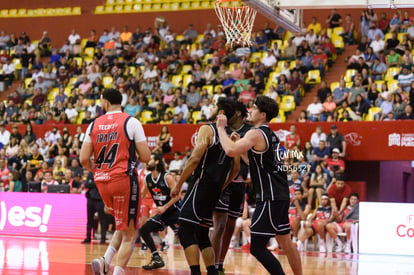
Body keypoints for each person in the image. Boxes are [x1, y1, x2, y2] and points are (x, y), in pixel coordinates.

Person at [215, 95, 302, 275]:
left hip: (269, 198)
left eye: (254, 108)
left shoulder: (255, 133)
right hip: (280, 196)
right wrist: (238, 142)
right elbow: (253, 161)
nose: (251, 110)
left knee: (257, 248)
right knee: (285, 242)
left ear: (263, 115)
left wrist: (220, 129)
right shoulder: (272, 135)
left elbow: (230, 151)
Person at [80, 88, 151, 275]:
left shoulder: (93, 124)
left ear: (105, 103)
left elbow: (83, 159)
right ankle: (117, 273)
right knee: (130, 233)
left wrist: (98, 171)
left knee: (123, 222)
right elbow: (145, 156)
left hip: (102, 181)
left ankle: (106, 259)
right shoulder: (131, 121)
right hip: (123, 179)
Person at [170, 97, 240, 275]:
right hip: (215, 191)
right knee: (202, 234)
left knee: (185, 230)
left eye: (215, 106)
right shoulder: (231, 136)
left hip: (200, 185)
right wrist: (223, 185)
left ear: (221, 113)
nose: (212, 108)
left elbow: (194, 159)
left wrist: (178, 185)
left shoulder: (207, 129)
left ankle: (195, 272)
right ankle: (212, 271)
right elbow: (236, 168)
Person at [210, 101, 251, 274]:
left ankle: (219, 264)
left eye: (232, 112)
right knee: (219, 225)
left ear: (239, 114)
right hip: (223, 183)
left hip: (239, 184)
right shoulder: (221, 128)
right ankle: (211, 266)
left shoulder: (249, 132)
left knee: (230, 226)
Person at [139, 153, 180, 270]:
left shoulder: (167, 177)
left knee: (187, 238)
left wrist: (164, 207)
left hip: (174, 212)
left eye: (150, 159)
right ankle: (156, 258)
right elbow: (142, 195)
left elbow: (177, 197)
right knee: (144, 230)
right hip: (162, 214)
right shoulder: (147, 178)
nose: (147, 161)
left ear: (157, 162)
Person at [82, 171, 109, 245]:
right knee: (89, 219)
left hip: (100, 199)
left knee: (102, 219)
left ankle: (103, 238)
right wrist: (94, 183)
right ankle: (88, 237)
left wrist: (92, 183)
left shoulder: (103, 171)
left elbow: (102, 184)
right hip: (90, 198)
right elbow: (87, 184)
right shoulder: (91, 172)